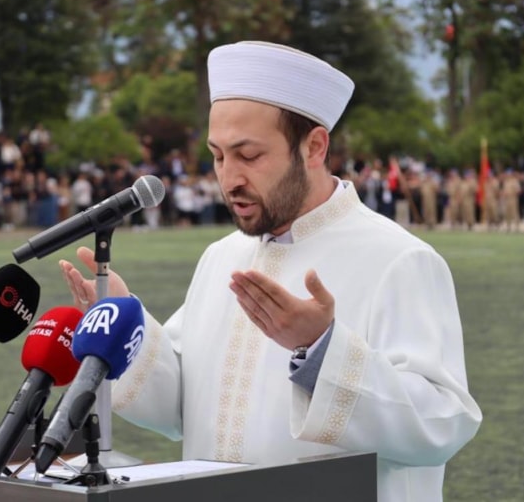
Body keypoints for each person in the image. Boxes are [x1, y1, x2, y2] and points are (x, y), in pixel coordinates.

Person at [58, 41, 482, 502]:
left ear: (314, 147)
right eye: (218, 156)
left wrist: (320, 350)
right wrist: (128, 329)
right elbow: (183, 408)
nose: (229, 178)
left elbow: (443, 424)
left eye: (249, 155)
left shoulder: (399, 259)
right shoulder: (221, 257)